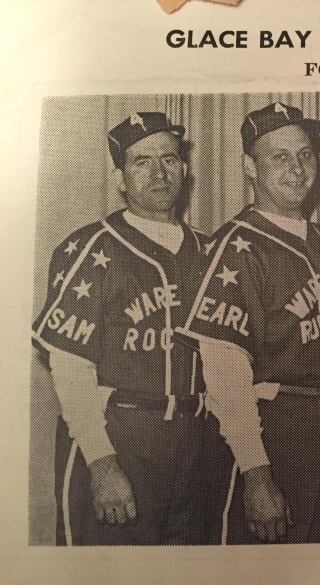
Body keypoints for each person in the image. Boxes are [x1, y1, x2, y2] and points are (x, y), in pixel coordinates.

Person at [177, 102, 320, 544]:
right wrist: (256, 475)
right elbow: (225, 374)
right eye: (280, 157)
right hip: (275, 427)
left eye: (306, 155)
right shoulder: (235, 246)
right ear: (249, 167)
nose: (297, 170)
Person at [32, 112, 208, 545]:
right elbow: (70, 369)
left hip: (194, 439)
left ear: (184, 170)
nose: (158, 173)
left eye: (168, 160)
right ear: (120, 178)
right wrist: (102, 462)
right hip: (117, 434)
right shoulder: (91, 246)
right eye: (141, 162)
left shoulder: (210, 249)